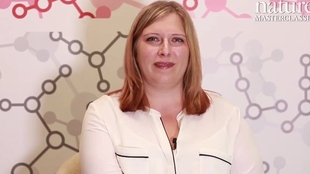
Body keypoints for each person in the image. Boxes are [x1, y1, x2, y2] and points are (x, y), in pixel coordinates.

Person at [79, 1, 265, 174]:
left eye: (177, 40)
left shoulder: (228, 116)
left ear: (190, 50)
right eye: (153, 39)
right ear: (134, 49)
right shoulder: (103, 114)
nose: (165, 50)